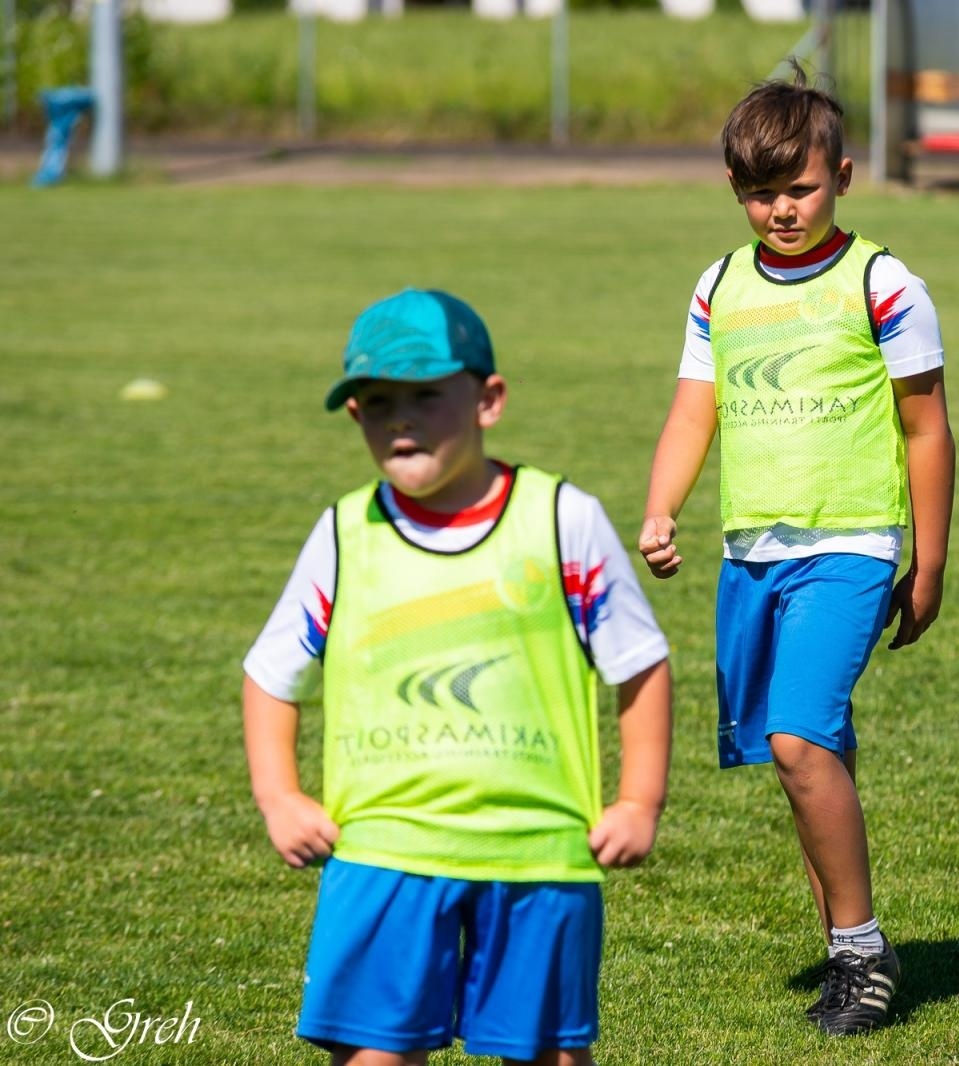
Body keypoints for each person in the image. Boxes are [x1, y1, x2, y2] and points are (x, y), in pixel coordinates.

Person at [242, 288, 673, 1066]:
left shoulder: (561, 518)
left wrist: (640, 800)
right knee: (373, 1056)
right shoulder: (346, 532)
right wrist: (279, 795)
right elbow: (271, 675)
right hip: (384, 847)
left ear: (489, 400)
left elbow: (638, 665)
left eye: (426, 397)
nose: (400, 420)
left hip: (538, 850)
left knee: (549, 1056)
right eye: (378, 402)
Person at [637, 69, 955, 1036]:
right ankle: (844, 952)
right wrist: (661, 508)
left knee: (798, 739)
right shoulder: (718, 285)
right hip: (751, 556)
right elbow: (698, 409)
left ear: (844, 176)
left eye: (800, 188)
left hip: (850, 545)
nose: (780, 209)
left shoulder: (883, 284)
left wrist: (929, 562)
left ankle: (863, 953)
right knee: (810, 758)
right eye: (759, 191)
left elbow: (927, 428)